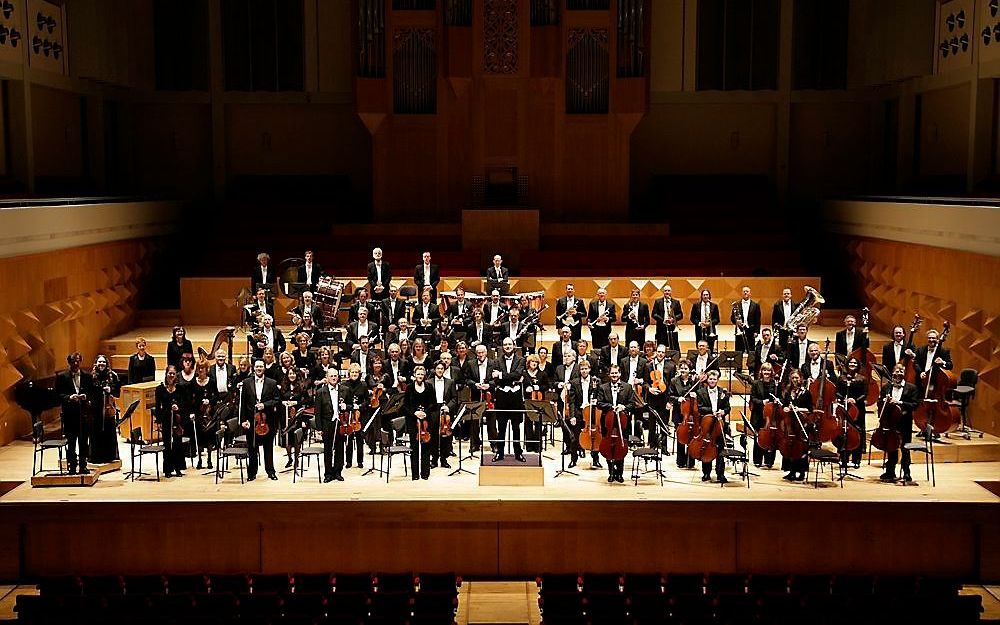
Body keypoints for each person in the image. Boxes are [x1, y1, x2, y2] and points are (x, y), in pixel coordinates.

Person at [239, 359, 281, 481]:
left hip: (268, 421)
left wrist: (265, 405)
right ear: (253, 368)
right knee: (252, 448)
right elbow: (242, 403)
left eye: (261, 366)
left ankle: (270, 471)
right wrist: (243, 420)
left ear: (264, 368)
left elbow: (277, 400)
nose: (259, 368)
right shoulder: (246, 383)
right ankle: (252, 473)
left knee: (268, 448)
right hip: (251, 421)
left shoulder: (272, 383)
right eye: (257, 366)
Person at [879, 363, 919, 483]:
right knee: (891, 446)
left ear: (904, 373)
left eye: (901, 371)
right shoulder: (886, 387)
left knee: (905, 448)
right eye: (896, 371)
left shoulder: (912, 388)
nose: (898, 374)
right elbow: (879, 402)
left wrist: (899, 403)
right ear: (892, 373)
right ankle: (890, 472)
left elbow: (915, 405)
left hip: (904, 422)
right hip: (890, 422)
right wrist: (883, 401)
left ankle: (906, 473)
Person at [55, 353, 94, 475]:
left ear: (80, 361)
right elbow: (57, 395)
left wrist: (86, 396)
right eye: (73, 361)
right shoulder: (62, 377)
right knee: (71, 443)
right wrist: (69, 397)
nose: (75, 363)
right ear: (69, 362)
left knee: (83, 443)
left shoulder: (87, 376)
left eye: (77, 361)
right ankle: (71, 467)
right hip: (69, 415)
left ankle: (83, 466)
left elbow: (92, 392)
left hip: (84, 415)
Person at [597, 365, 634, 483]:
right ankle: (611, 472)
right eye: (612, 373)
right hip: (607, 422)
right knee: (608, 447)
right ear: (609, 375)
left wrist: (623, 407)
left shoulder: (627, 387)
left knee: (620, 446)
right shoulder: (603, 387)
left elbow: (632, 404)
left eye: (616, 373)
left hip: (622, 423)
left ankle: (620, 473)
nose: (614, 375)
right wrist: (611, 407)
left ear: (620, 374)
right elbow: (599, 403)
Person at [492, 337, 526, 462]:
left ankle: (518, 453)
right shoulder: (496, 361)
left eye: (509, 344)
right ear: (502, 346)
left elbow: (518, 374)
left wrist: (501, 375)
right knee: (501, 427)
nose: (507, 346)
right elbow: (495, 379)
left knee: (516, 427)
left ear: (514, 345)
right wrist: (512, 379)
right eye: (505, 344)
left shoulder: (521, 360)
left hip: (515, 396)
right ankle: (499, 453)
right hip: (501, 396)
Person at [695, 370, 730, 484]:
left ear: (717, 380)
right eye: (710, 379)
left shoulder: (723, 392)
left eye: (714, 379)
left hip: (719, 424)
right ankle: (706, 473)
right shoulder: (701, 392)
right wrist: (713, 411)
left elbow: (727, 408)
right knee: (706, 447)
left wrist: (723, 412)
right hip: (707, 423)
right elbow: (700, 408)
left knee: (720, 449)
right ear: (707, 379)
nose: (712, 381)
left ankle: (720, 474)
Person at [315, 368, 348, 482]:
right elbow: (317, 412)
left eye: (335, 376)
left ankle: (338, 471)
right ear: (327, 378)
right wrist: (319, 428)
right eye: (331, 376)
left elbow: (349, 406)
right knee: (328, 449)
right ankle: (328, 473)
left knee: (340, 448)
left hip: (340, 423)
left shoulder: (345, 390)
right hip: (327, 423)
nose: (334, 378)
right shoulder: (320, 392)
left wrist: (346, 407)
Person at [87, 355, 121, 464]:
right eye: (99, 362)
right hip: (95, 409)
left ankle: (109, 456)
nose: (101, 364)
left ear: (107, 364)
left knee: (108, 431)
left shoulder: (113, 376)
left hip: (108, 408)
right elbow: (88, 392)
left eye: (103, 362)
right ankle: (97, 457)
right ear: (96, 363)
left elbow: (117, 393)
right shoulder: (91, 377)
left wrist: (110, 389)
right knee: (95, 432)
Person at [404, 365, 436, 480]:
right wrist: (415, 413)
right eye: (418, 374)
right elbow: (406, 405)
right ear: (414, 375)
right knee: (414, 447)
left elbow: (433, 403)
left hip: (427, 421)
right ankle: (415, 474)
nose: (420, 376)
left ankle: (425, 474)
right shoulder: (409, 388)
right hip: (413, 421)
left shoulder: (429, 386)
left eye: (422, 374)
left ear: (424, 376)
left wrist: (425, 413)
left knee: (426, 446)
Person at [781, 369, 813, 482]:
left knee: (800, 447)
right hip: (790, 423)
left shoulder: (806, 393)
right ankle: (791, 471)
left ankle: (802, 472)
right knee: (790, 446)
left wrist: (798, 409)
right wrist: (785, 408)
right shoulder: (788, 392)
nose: (795, 380)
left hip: (801, 423)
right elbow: (784, 406)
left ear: (801, 378)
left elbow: (810, 409)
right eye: (793, 378)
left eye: (797, 378)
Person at [836, 357, 867, 469]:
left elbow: (865, 394)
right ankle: (843, 458)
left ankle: (856, 459)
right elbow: (837, 392)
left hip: (858, 408)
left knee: (857, 432)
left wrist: (855, 400)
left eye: (855, 362)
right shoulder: (842, 378)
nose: (852, 364)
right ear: (847, 364)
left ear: (858, 365)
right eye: (850, 362)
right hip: (845, 407)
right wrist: (844, 399)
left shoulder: (862, 378)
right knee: (844, 432)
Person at [154, 364, 185, 477]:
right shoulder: (160, 389)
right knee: (167, 445)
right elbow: (158, 406)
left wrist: (178, 407)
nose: (171, 375)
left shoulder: (180, 388)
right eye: (169, 373)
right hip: (166, 419)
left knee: (177, 444)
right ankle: (167, 469)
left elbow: (183, 403)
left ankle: (177, 469)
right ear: (166, 374)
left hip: (177, 420)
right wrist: (158, 421)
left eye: (173, 373)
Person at [569, 359, 600, 469]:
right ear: (579, 370)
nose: (584, 371)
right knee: (574, 437)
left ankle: (595, 459)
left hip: (591, 412)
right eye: (582, 369)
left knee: (595, 435)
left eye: (586, 369)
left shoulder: (596, 381)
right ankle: (573, 459)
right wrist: (572, 416)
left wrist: (596, 401)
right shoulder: (574, 382)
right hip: (579, 411)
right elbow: (572, 401)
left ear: (589, 369)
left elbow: (599, 397)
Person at [748, 362, 779, 468]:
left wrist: (775, 401)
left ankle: (769, 461)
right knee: (759, 437)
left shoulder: (775, 384)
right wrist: (762, 402)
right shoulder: (756, 383)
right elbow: (753, 398)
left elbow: (779, 397)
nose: (766, 372)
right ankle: (757, 460)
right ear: (761, 371)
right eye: (764, 370)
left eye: (769, 370)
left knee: (771, 437)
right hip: (758, 414)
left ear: (771, 372)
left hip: (771, 416)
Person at [429, 360, 458, 468]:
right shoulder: (429, 382)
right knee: (433, 435)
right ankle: (434, 459)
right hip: (433, 410)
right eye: (438, 368)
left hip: (445, 410)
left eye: (442, 368)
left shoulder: (450, 382)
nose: (440, 370)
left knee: (445, 436)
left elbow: (455, 398)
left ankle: (444, 459)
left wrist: (448, 407)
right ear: (434, 370)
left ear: (444, 369)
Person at [187, 361, 217, 470]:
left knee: (209, 438)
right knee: (199, 438)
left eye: (203, 368)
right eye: (199, 368)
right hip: (198, 414)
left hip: (209, 415)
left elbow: (216, 396)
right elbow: (190, 399)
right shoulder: (193, 383)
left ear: (206, 369)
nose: (201, 370)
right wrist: (191, 412)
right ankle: (199, 459)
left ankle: (209, 459)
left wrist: (209, 401)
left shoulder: (212, 382)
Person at [280, 367, 311, 469]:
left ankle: (296, 459)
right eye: (289, 374)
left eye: (293, 373)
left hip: (298, 416)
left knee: (296, 438)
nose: (291, 375)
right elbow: (279, 399)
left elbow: (308, 400)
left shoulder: (302, 387)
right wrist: (283, 402)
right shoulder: (284, 386)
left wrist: (297, 402)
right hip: (285, 415)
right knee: (287, 439)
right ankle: (290, 458)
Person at [668, 360, 695, 469]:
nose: (683, 370)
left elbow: (700, 393)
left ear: (689, 370)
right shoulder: (674, 381)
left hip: (691, 413)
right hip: (678, 413)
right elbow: (670, 396)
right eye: (681, 368)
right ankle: (680, 461)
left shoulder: (694, 382)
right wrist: (678, 398)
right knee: (680, 436)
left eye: (685, 368)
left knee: (691, 436)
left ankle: (690, 460)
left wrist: (694, 395)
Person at [522, 353, 549, 453]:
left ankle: (537, 445)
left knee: (538, 423)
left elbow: (547, 386)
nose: (534, 363)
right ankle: (529, 445)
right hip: (528, 401)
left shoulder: (543, 374)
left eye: (536, 362)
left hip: (539, 401)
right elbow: (521, 387)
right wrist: (526, 389)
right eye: (532, 362)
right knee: (528, 422)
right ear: (528, 363)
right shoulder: (524, 374)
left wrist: (539, 388)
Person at [344, 363, 369, 469]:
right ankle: (348, 461)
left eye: (356, 372)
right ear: (349, 373)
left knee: (359, 439)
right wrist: (351, 407)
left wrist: (359, 406)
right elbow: (342, 401)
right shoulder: (345, 385)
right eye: (352, 372)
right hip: (349, 414)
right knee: (349, 439)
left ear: (359, 374)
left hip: (360, 415)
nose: (354, 374)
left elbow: (367, 400)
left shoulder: (363, 385)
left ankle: (360, 461)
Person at [731, 286, 761, 372]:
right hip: (739, 329)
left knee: (751, 351)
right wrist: (736, 322)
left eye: (747, 291)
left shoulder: (755, 305)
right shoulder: (736, 305)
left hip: (750, 330)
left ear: (750, 293)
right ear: (742, 293)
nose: (745, 293)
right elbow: (732, 318)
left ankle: (751, 369)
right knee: (738, 350)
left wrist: (756, 331)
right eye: (744, 291)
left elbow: (757, 319)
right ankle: (738, 369)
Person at [652, 285, 683, 352]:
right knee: (661, 344)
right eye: (665, 291)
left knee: (673, 345)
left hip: (672, 327)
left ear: (671, 292)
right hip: (661, 327)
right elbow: (654, 314)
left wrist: (673, 319)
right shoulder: (658, 301)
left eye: (668, 291)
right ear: (663, 292)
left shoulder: (676, 302)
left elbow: (680, 315)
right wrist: (663, 320)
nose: (667, 292)